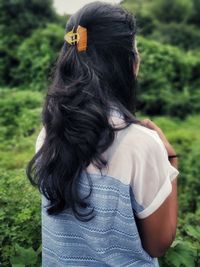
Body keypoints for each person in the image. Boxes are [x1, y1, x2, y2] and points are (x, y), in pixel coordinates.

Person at [26, 1, 179, 266]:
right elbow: (158, 244)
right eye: (135, 50)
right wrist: (171, 162)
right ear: (128, 62)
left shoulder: (50, 131)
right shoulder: (139, 144)